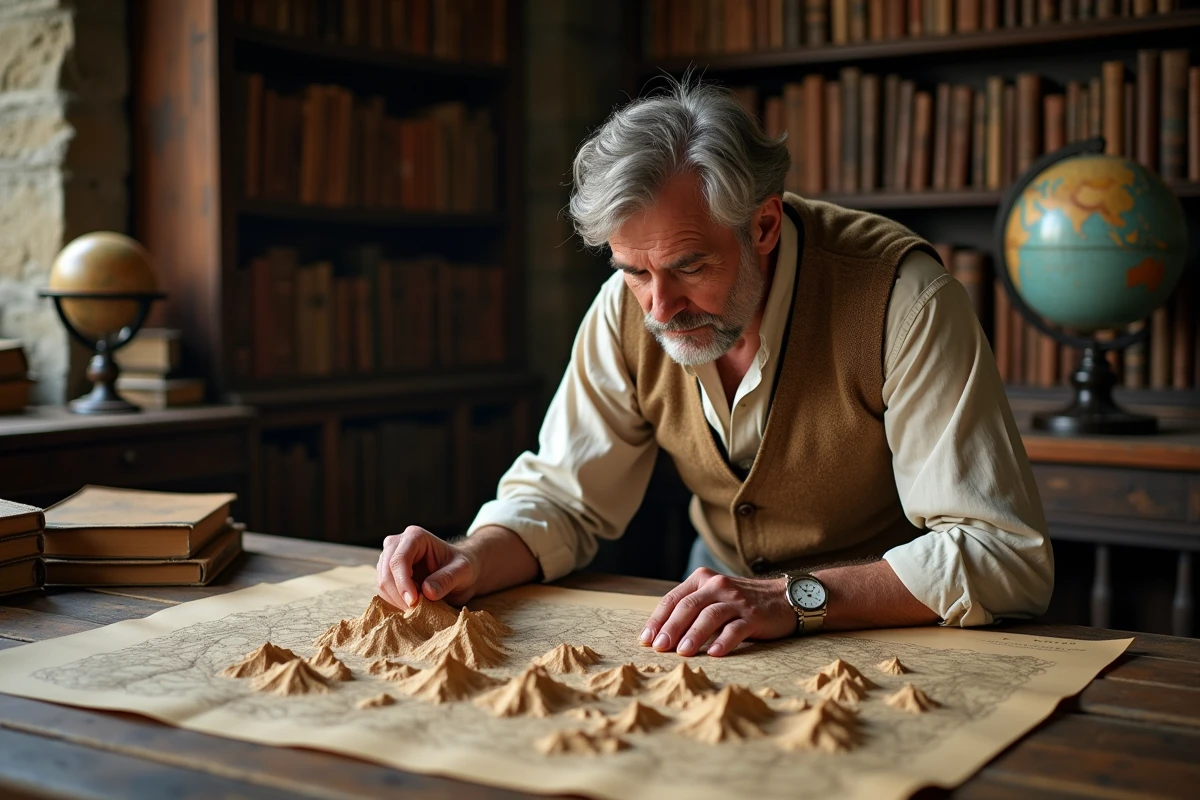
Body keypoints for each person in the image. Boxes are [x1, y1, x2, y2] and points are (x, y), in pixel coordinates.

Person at [376, 78, 1053, 659]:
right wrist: (474, 554)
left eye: (688, 267)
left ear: (763, 226)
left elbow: (1003, 555)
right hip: (722, 607)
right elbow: (562, 496)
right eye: (634, 271)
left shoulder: (902, 298)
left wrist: (794, 598)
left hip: (899, 620)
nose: (660, 307)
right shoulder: (627, 307)